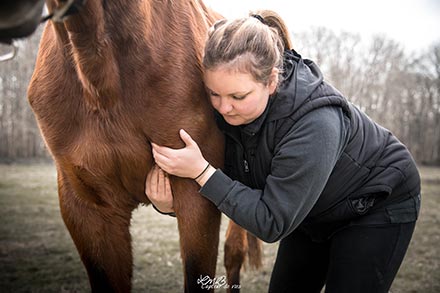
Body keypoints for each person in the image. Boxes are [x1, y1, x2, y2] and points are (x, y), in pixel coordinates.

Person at [145, 10, 421, 293]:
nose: (223, 107)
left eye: (237, 97)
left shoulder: (315, 122)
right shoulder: (228, 113)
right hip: (308, 210)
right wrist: (170, 205)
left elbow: (270, 222)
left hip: (374, 203)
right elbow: (229, 187)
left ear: (272, 82)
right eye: (214, 94)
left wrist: (201, 172)